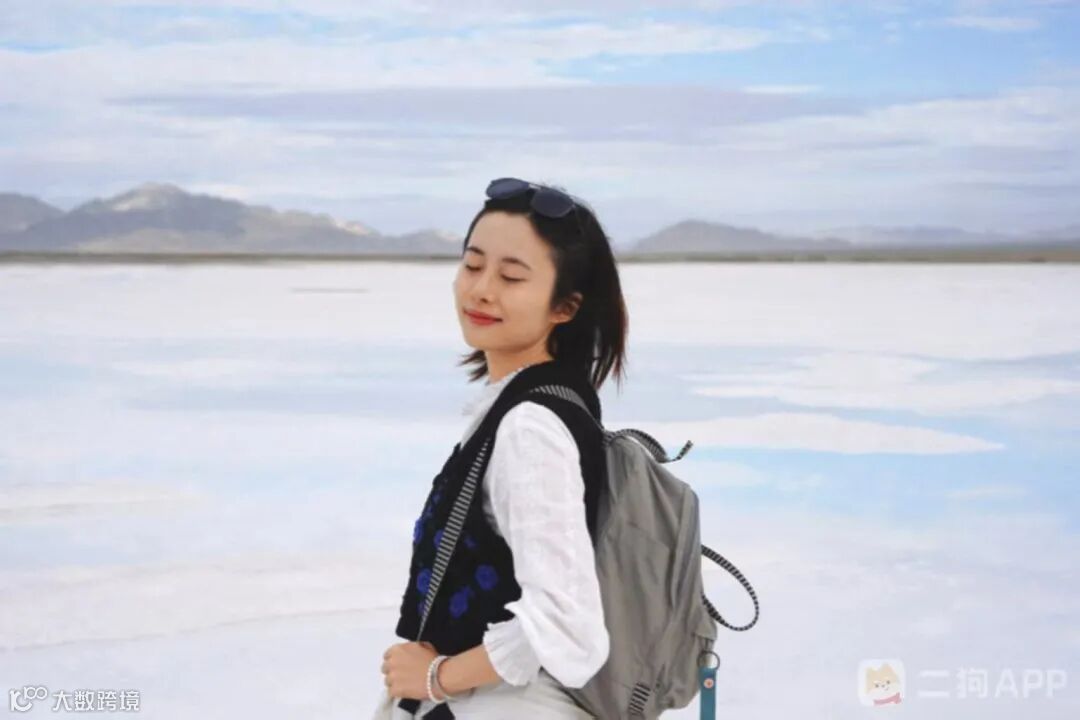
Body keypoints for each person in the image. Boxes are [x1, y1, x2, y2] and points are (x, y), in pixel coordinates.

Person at [372, 177, 629, 719]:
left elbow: (567, 626)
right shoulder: (538, 402)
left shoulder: (530, 427)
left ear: (565, 307)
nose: (481, 290)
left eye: (511, 277)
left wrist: (437, 677)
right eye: (472, 266)